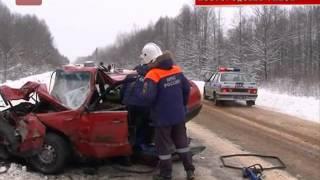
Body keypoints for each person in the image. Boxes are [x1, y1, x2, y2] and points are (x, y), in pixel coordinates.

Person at [140, 42, 195, 180]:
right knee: (182, 144)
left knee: (163, 148)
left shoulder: (152, 75)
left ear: (148, 59)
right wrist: (181, 105)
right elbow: (186, 89)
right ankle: (190, 171)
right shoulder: (177, 70)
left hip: (162, 118)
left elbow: (148, 98)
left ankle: (165, 175)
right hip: (178, 115)